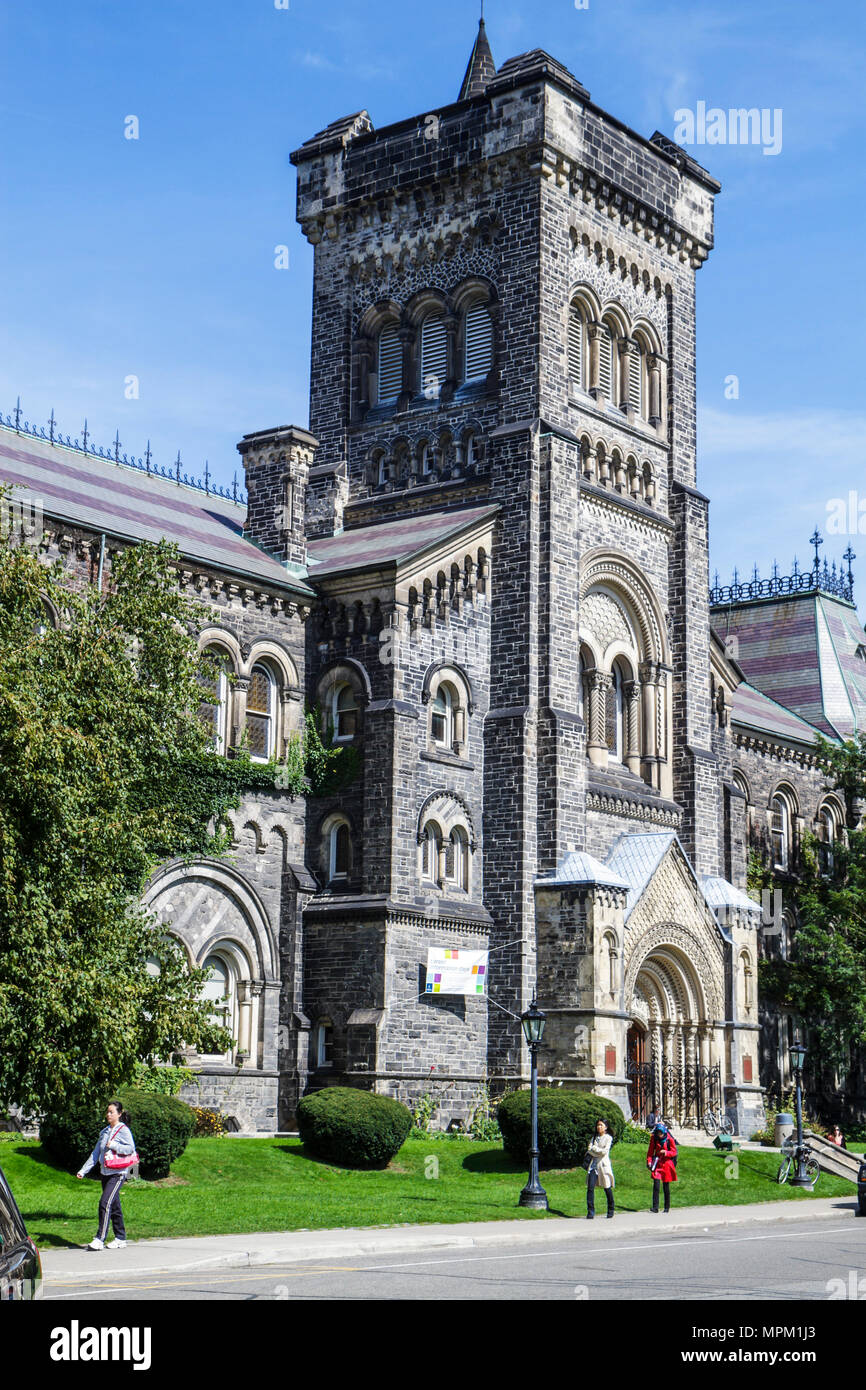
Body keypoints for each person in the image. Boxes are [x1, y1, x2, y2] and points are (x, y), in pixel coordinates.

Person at [76, 1099, 136, 1250]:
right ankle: (120, 1238)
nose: (108, 1115)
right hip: (105, 1173)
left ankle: (99, 1239)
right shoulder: (104, 1132)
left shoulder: (123, 1130)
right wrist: (83, 1170)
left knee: (104, 1203)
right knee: (114, 1205)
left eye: (112, 1112)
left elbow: (130, 1149)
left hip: (118, 1173)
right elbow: (96, 1153)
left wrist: (114, 1145)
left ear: (119, 1114)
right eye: (107, 1112)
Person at [585, 1118, 615, 1220]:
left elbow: (604, 1152)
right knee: (590, 1188)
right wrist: (595, 1150)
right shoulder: (594, 1137)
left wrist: (594, 1149)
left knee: (607, 1187)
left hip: (603, 1166)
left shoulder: (608, 1138)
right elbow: (589, 1149)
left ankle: (611, 1209)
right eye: (598, 1125)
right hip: (593, 1166)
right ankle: (590, 1212)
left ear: (606, 1127)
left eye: (601, 1125)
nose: (599, 1127)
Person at [647, 1122, 678, 1213]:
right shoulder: (654, 1138)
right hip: (658, 1163)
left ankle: (666, 1207)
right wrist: (649, 1162)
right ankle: (655, 1207)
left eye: (661, 1133)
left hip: (667, 1164)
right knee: (656, 1185)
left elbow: (674, 1152)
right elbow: (650, 1151)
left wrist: (666, 1152)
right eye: (658, 1133)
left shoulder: (669, 1139)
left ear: (664, 1132)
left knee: (666, 1186)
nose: (659, 1135)